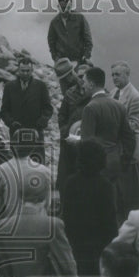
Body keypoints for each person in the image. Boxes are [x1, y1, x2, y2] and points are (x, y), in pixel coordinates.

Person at [79, 66, 136, 220]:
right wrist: (123, 161)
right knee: (112, 204)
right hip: (115, 163)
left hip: (97, 167)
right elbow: (130, 138)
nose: (82, 85)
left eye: (84, 82)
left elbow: (87, 144)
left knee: (95, 208)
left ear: (91, 84)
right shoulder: (118, 105)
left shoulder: (90, 108)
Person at [61, 139, 119, 277]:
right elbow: (110, 219)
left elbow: (66, 214)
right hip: (98, 244)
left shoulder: (70, 182)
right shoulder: (105, 185)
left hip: (76, 242)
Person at [111, 61, 139, 212]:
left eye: (117, 75)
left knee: (131, 196)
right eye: (112, 75)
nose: (114, 78)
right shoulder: (113, 93)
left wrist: (112, 126)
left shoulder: (135, 97)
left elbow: (137, 124)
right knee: (117, 195)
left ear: (127, 75)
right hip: (116, 152)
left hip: (129, 153)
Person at [56, 64, 92, 193]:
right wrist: (66, 131)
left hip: (88, 144)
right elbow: (62, 116)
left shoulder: (97, 94)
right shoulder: (70, 93)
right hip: (69, 143)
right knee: (67, 177)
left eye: (85, 76)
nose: (82, 79)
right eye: (80, 75)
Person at [1, 55, 53, 141]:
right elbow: (4, 110)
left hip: (36, 132)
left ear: (32, 71)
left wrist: (41, 123)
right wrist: (11, 122)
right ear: (18, 70)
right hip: (16, 133)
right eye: (23, 71)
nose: (25, 73)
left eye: (28, 71)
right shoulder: (9, 87)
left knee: (36, 154)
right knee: (16, 154)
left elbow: (48, 108)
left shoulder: (41, 86)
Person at [47, 0, 92, 64]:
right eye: (62, 6)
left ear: (71, 6)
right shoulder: (54, 22)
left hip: (79, 60)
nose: (65, 9)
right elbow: (51, 41)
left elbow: (88, 39)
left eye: (67, 6)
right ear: (58, 6)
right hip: (62, 61)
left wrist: (86, 56)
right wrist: (55, 57)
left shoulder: (80, 18)